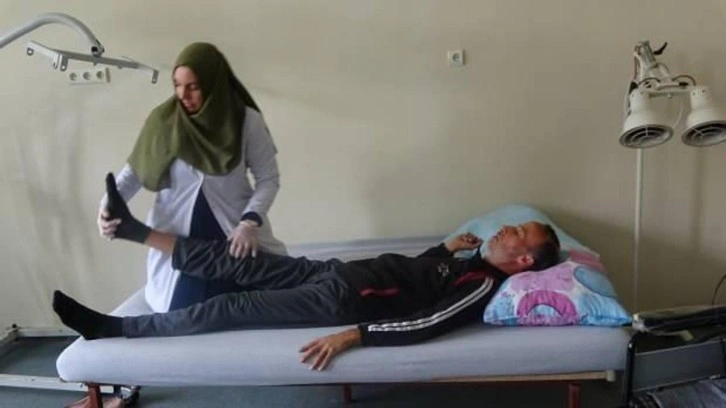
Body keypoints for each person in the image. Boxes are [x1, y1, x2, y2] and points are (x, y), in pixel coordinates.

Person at [55, 175, 561, 371]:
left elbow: (426, 322)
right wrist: (445, 248)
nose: (506, 229)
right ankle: (132, 229)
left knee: (229, 306)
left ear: (524, 262)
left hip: (340, 301)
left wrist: (354, 335)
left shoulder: (481, 285)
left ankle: (113, 328)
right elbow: (416, 272)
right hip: (332, 273)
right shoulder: (470, 264)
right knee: (235, 259)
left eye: (518, 233)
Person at [97, 43, 287, 313]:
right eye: (177, 85)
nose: (183, 95)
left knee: (257, 304)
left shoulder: (246, 121)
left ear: (213, 84)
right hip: (179, 247)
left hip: (235, 240)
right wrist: (107, 207)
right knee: (181, 309)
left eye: (193, 87)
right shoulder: (163, 122)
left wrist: (250, 221)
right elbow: (133, 174)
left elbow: (268, 178)